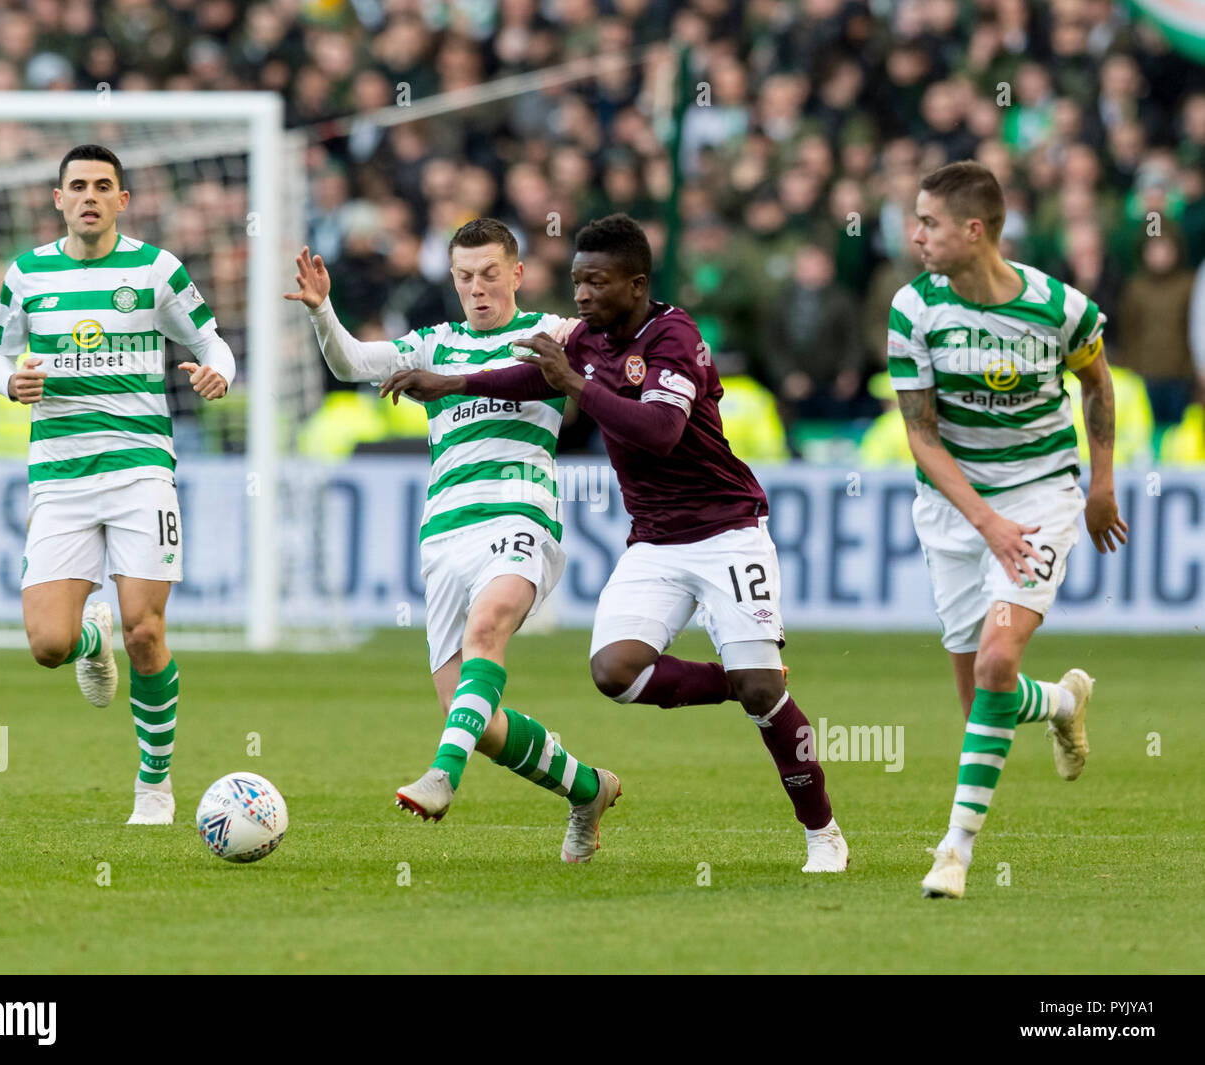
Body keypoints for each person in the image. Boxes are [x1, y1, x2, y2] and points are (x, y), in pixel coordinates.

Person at [383, 213, 849, 874]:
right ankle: (736, 685)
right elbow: (531, 377)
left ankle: (822, 831)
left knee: (765, 695)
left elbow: (658, 430)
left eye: (594, 282)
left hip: (727, 531)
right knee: (614, 672)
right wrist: (454, 383)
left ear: (636, 283)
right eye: (575, 281)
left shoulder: (676, 336)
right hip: (654, 541)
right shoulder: (591, 340)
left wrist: (577, 385)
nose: (580, 296)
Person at [286, 218, 620, 863]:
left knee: (488, 630)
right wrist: (323, 310)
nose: (478, 287)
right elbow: (352, 362)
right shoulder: (434, 344)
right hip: (445, 535)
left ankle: (441, 777)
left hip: (520, 516)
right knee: (477, 722)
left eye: (491, 273)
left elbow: (610, 356)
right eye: (465, 277)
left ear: (517, 274)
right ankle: (587, 788)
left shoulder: (551, 334)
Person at [887, 161, 1128, 899]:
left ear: (974, 229)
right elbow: (922, 436)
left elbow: (1097, 382)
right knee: (980, 701)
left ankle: (953, 853)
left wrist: (1102, 480)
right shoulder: (912, 310)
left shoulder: (1060, 307)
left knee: (996, 665)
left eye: (928, 222)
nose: (915, 235)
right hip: (957, 511)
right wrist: (984, 522)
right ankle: (1059, 701)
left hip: (1041, 495)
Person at [0, 144, 236, 824]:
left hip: (140, 471)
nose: (89, 195)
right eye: (77, 186)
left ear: (123, 200)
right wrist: (9, 381)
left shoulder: (156, 270)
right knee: (48, 645)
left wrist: (220, 371)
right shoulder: (27, 274)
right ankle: (90, 639)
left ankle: (154, 784)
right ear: (57, 198)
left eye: (103, 185)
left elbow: (212, 341)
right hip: (59, 478)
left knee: (146, 631)